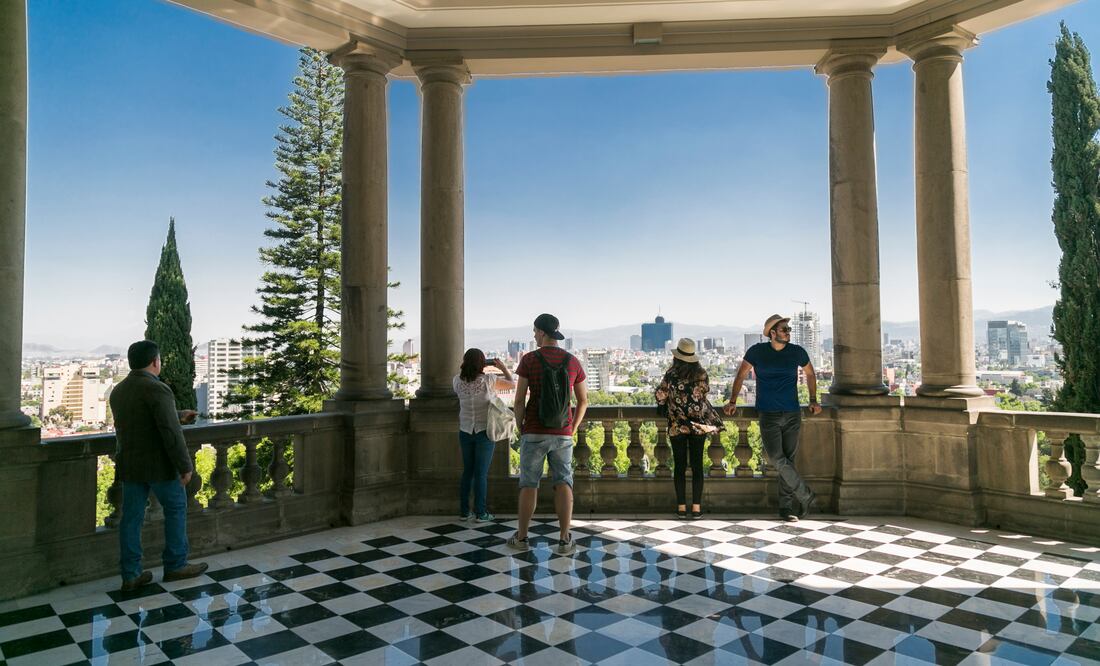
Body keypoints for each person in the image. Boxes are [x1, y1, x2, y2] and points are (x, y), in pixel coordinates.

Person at [110, 340, 208, 591]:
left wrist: (176, 413)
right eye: (160, 359)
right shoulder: (158, 389)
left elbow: (142, 419)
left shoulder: (119, 390)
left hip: (130, 465)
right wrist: (185, 466)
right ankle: (176, 565)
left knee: (131, 518)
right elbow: (170, 433)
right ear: (154, 361)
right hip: (159, 466)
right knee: (176, 508)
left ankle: (130, 574)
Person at [724, 314, 822, 522]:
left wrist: (813, 399)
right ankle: (805, 495)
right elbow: (741, 375)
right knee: (777, 458)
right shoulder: (757, 351)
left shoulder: (797, 351)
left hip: (792, 413)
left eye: (788, 329)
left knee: (788, 460)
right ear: (773, 332)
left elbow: (811, 374)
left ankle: (786, 508)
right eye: (784, 329)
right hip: (768, 413)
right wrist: (733, 401)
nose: (788, 332)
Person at [507, 313, 588, 555]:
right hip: (562, 432)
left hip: (534, 430)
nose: (533, 335)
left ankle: (522, 538)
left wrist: (521, 427)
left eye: (534, 331)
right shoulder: (572, 361)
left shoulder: (529, 360)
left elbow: (519, 399)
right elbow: (583, 401)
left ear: (542, 332)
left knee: (529, 484)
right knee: (564, 482)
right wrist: (571, 429)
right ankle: (564, 540)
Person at [655, 338, 723, 519]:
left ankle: (681, 508)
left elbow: (661, 394)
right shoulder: (701, 374)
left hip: (677, 425)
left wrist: (665, 401)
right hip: (698, 426)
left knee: (679, 466)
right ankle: (697, 508)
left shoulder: (671, 374)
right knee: (697, 467)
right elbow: (704, 394)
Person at [454, 348, 516, 523]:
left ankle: (464, 511)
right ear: (482, 363)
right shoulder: (489, 380)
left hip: (465, 431)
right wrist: (503, 368)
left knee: (467, 471)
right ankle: (481, 512)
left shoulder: (456, 381)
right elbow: (512, 384)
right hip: (484, 432)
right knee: (480, 474)